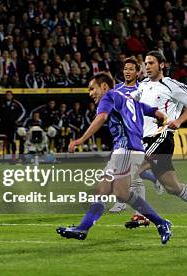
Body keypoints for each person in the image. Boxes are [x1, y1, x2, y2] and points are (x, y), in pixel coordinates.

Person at [59, 73, 172, 245]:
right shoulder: (131, 101)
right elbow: (158, 113)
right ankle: (83, 228)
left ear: (104, 86)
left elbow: (102, 117)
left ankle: (161, 222)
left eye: (92, 88)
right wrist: (161, 121)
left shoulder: (109, 95)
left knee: (116, 192)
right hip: (132, 150)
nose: (91, 93)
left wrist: (80, 140)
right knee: (107, 190)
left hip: (125, 150)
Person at [128, 51, 187, 229]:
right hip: (144, 139)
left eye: (151, 63)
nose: (147, 66)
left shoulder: (171, 85)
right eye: (146, 63)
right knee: (173, 188)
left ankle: (141, 215)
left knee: (131, 170)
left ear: (161, 64)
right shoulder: (142, 85)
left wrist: (178, 120)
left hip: (161, 138)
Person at [108, 58, 165, 218]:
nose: (127, 72)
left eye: (131, 69)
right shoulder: (117, 89)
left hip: (138, 136)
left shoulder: (143, 90)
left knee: (132, 174)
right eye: (125, 69)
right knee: (124, 171)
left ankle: (130, 207)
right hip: (121, 137)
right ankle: (154, 179)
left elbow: (149, 110)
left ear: (138, 72)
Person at [0, 91, 25, 160]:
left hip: (12, 125)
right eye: (7, 95)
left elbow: (23, 111)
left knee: (13, 140)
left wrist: (18, 120)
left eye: (9, 95)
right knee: (3, 139)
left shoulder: (16, 103)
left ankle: (14, 155)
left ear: (12, 96)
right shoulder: (1, 103)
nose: (8, 96)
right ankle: (3, 154)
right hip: (3, 124)